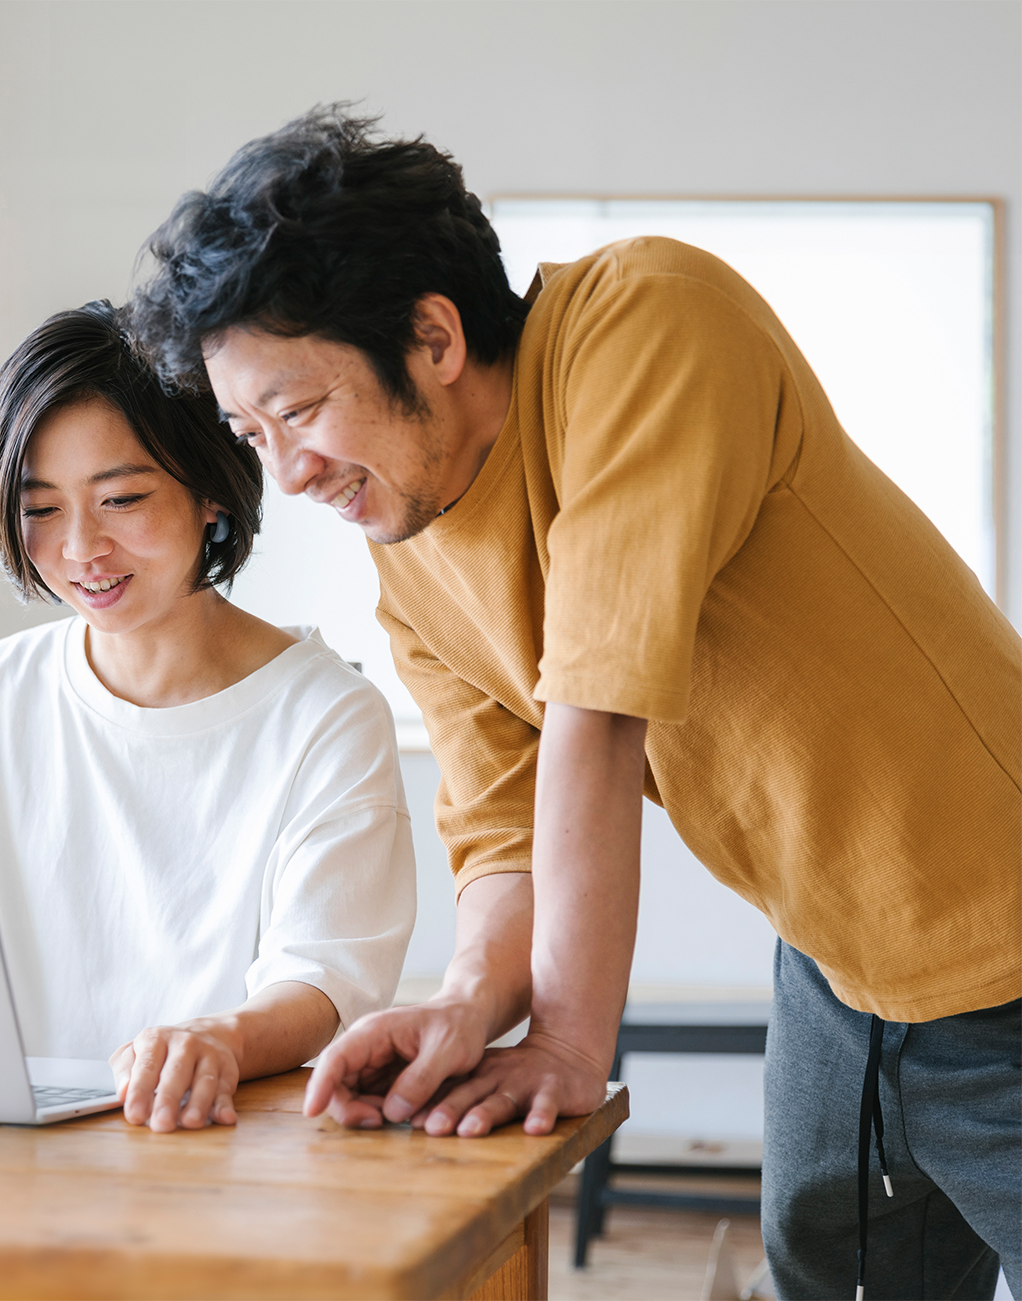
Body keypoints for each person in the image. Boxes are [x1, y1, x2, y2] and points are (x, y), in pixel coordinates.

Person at [126, 106, 1022, 1299]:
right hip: (832, 961)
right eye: (249, 431)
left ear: (432, 336)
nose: (282, 470)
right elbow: (502, 833)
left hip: (999, 936)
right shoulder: (409, 550)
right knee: (838, 1284)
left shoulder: (646, 320)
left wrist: (563, 1038)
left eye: (296, 412)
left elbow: (597, 705)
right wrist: (463, 1000)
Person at [0, 303, 415, 1133]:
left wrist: (221, 1039)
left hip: (212, 1146)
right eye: (41, 509)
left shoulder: (327, 715)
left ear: (211, 491)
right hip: (1, 1146)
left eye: (122, 498)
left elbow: (324, 976)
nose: (81, 548)